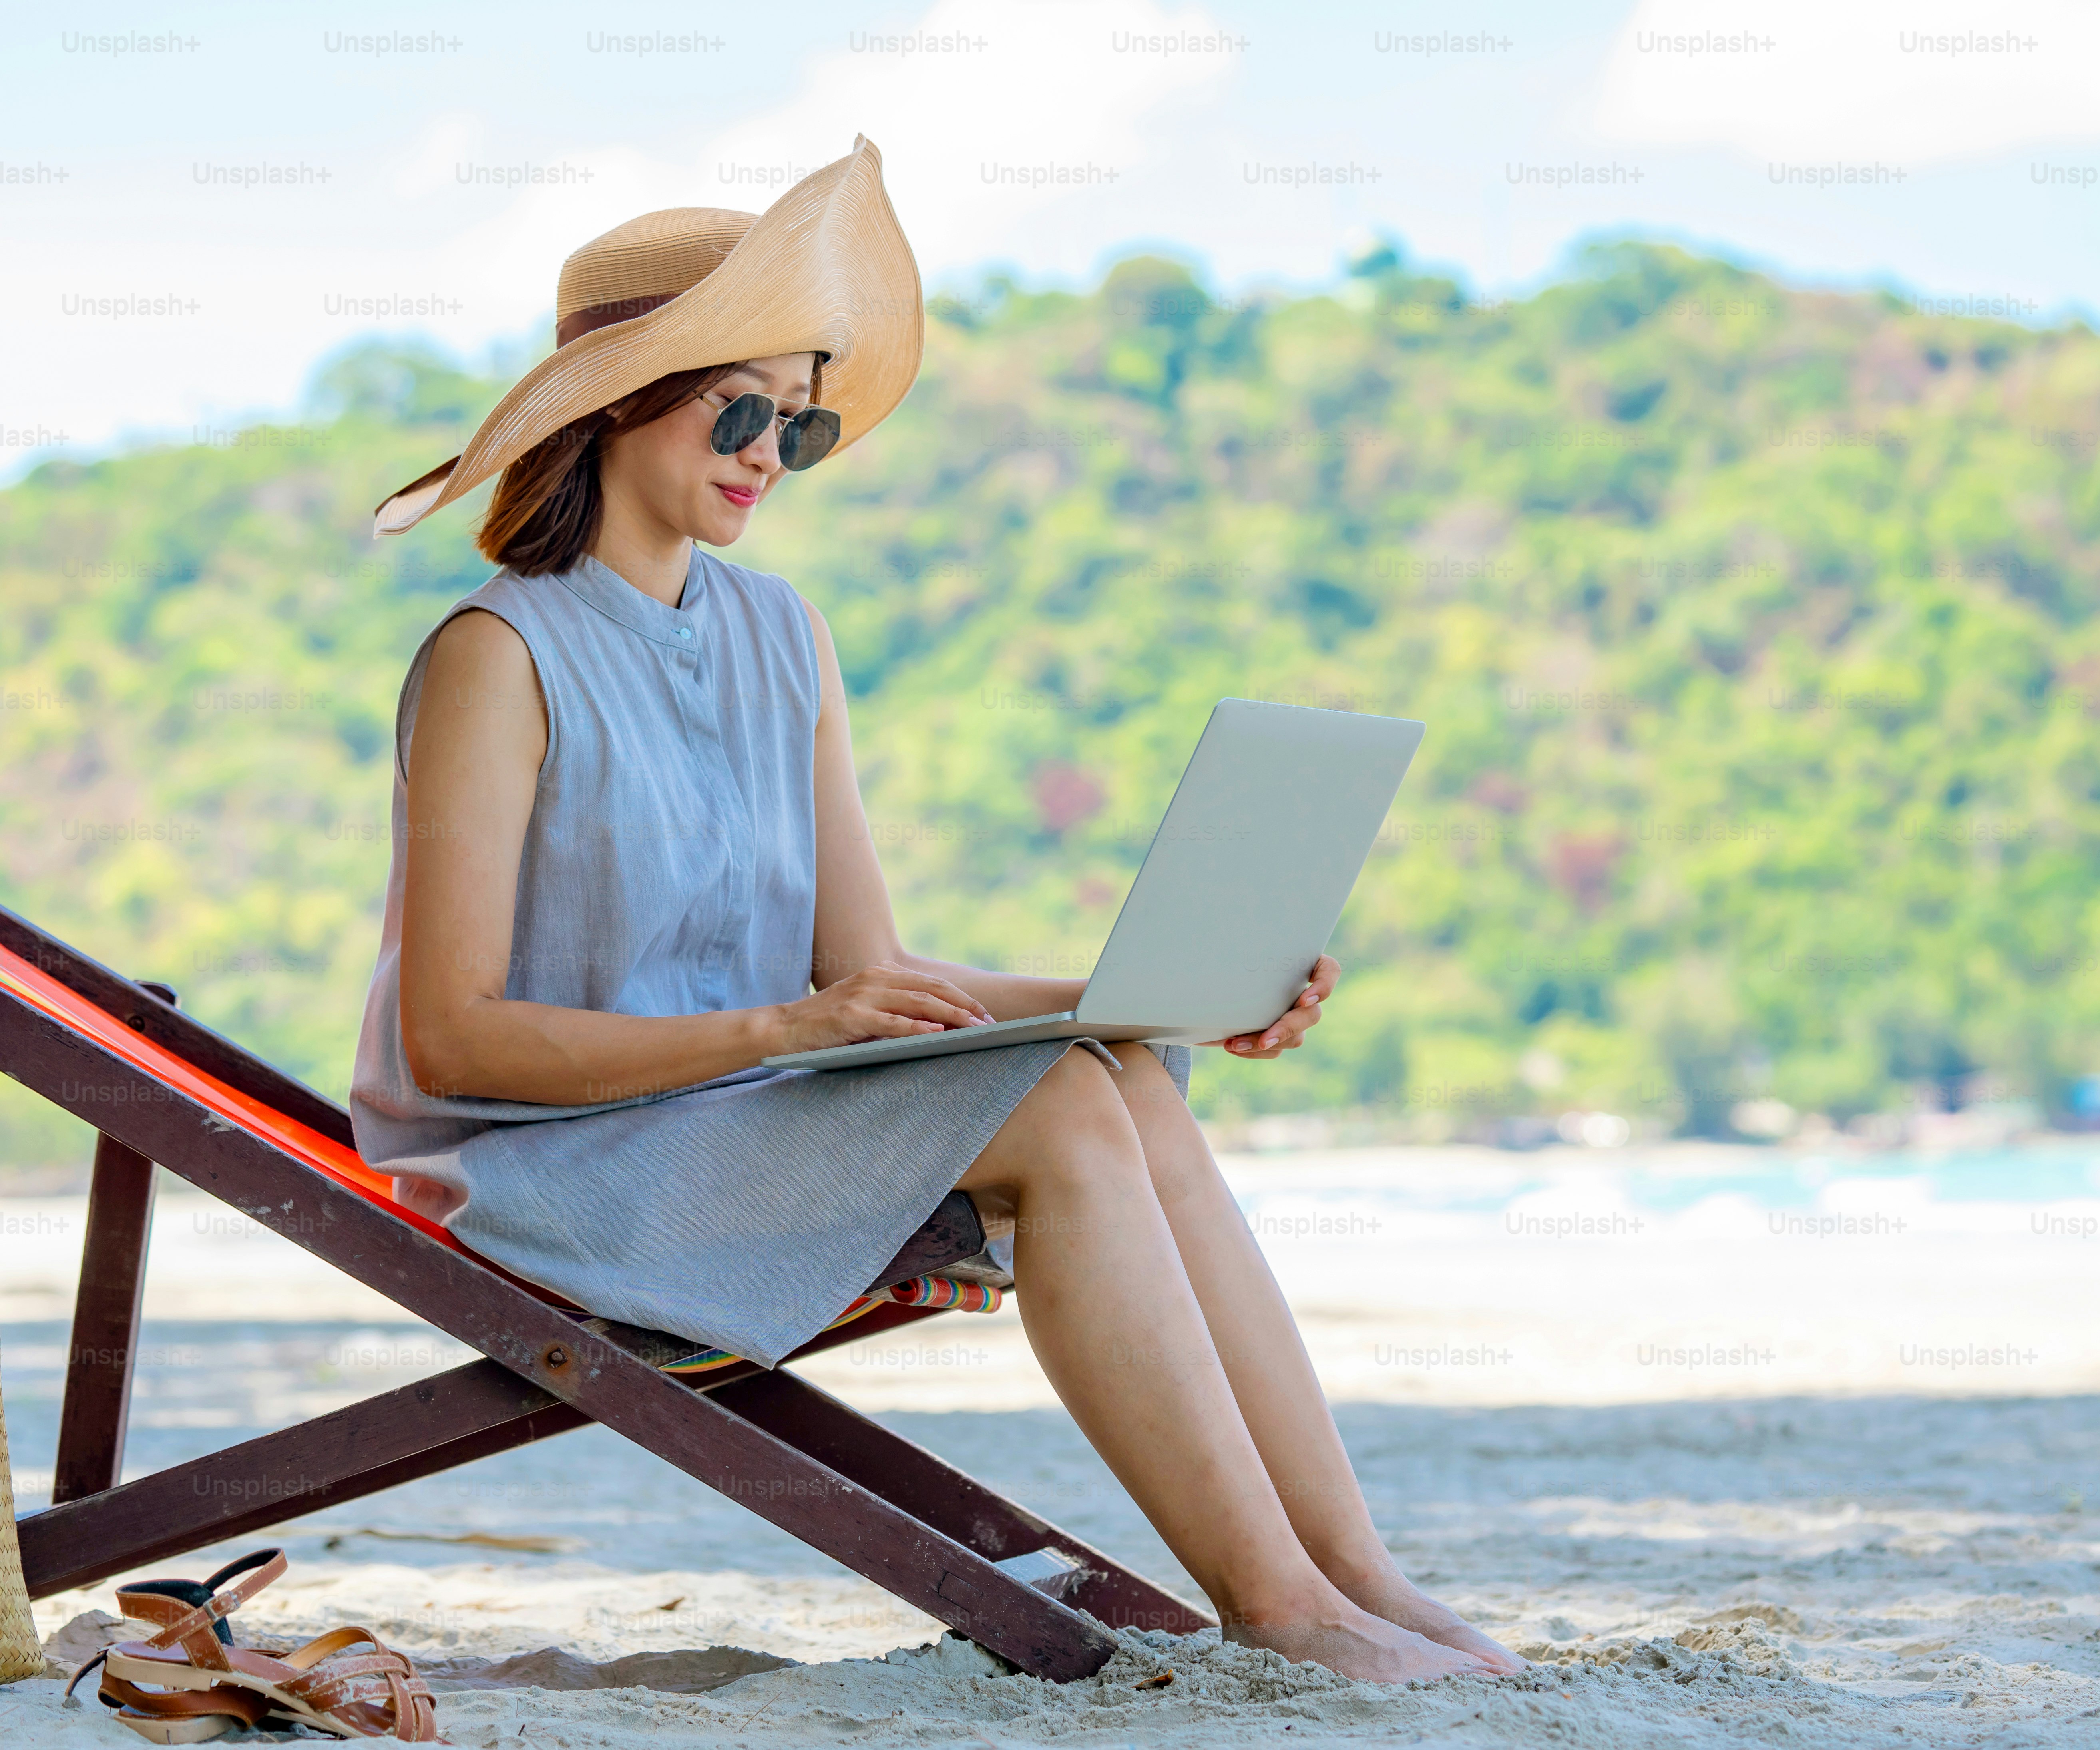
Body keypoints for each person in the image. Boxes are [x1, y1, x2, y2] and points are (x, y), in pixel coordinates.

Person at [350, 137, 1515, 1684]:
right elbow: (453, 1037)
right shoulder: (498, 655)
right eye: (744, 408)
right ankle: (1283, 1609)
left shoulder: (784, 635)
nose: (774, 451)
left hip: (745, 1119)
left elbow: (872, 974)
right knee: (1063, 1104)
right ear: (623, 396)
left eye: (804, 424)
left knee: (1115, 1080)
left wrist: (1159, 995)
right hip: (553, 1167)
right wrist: (786, 1026)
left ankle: (1350, 1574)